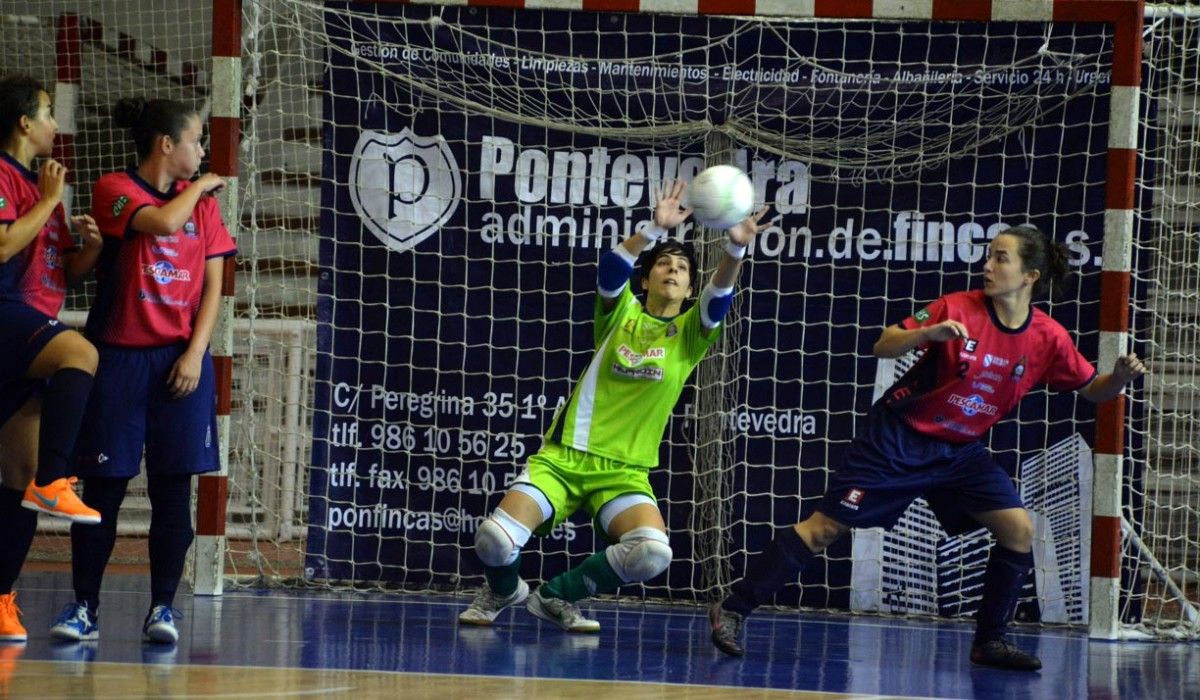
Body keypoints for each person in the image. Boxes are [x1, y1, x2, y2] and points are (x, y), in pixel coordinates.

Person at [708, 225, 1146, 671]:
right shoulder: (955, 307)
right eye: (989, 256)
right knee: (824, 530)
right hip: (898, 440)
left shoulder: (1047, 338)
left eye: (1000, 259)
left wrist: (1121, 380)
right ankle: (734, 609)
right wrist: (926, 335)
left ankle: (989, 642)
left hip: (959, 453)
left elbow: (1094, 389)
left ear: (1029, 275)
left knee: (1018, 530)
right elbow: (883, 343)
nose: (987, 266)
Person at [458, 181, 766, 632]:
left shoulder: (690, 337)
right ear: (647, 279)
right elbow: (609, 273)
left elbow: (718, 299)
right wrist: (651, 230)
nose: (673, 271)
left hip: (624, 471)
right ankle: (503, 590)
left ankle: (556, 596)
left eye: (682, 268)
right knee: (493, 541)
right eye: (664, 263)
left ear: (688, 288)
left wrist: (735, 251)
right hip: (562, 460)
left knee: (653, 552)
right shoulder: (620, 314)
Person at [48, 96, 234, 646]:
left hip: (179, 361)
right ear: (166, 145)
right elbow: (159, 222)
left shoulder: (204, 208)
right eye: (196, 140)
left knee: (173, 490)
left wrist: (197, 353)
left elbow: (214, 285)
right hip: (119, 359)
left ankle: (162, 609)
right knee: (103, 489)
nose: (202, 152)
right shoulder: (116, 189)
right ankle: (84, 607)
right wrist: (200, 185)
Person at [0, 74, 106, 642]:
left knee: (15, 473)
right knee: (82, 353)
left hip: (26, 327)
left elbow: (62, 269)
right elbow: (1, 245)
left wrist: (86, 244)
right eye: (46, 112)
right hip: (6, 313)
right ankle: (57, 478)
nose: (54, 124)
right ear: (23, 122)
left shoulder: (40, 184)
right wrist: (46, 203)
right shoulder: (5, 175)